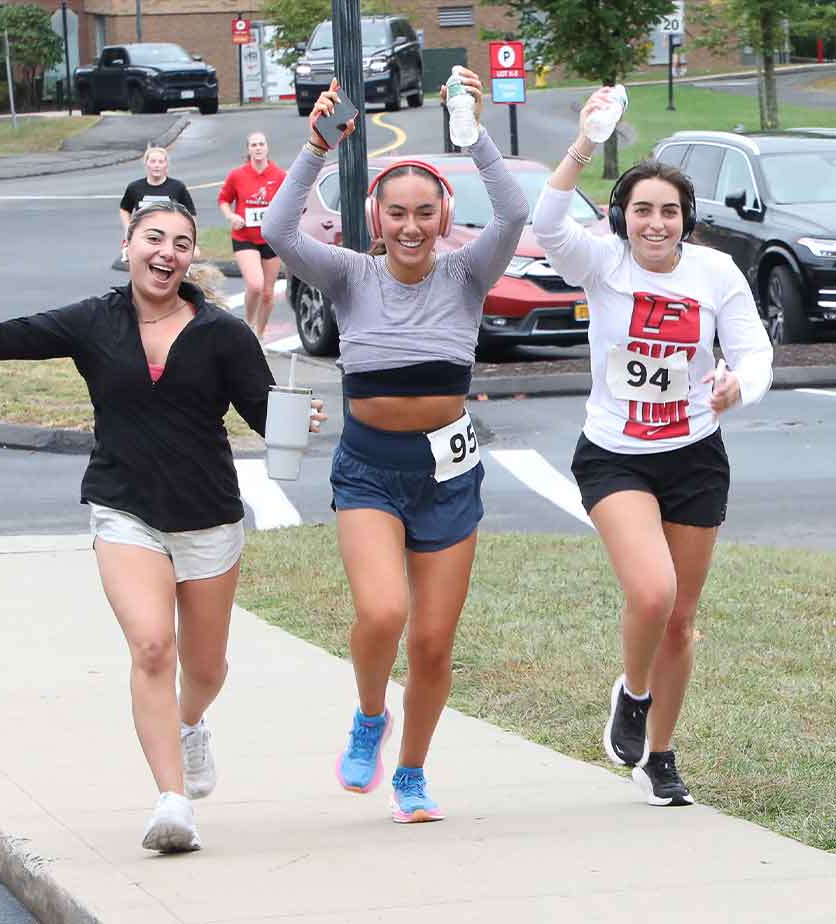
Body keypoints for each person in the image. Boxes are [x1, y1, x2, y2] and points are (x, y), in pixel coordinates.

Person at [0, 201, 326, 852]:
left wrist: (293, 421)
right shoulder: (95, 321)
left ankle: (191, 725)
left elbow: (261, 414)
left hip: (208, 518)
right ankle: (173, 803)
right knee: (150, 647)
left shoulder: (223, 333)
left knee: (204, 669)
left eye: (179, 242)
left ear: (190, 256)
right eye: (153, 238)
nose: (165, 251)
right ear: (129, 244)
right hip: (124, 509)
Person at [262, 73, 530, 823]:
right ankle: (370, 718)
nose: (411, 227)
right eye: (397, 213)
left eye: (424, 212)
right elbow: (281, 234)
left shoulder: (468, 275)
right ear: (375, 219)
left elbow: (513, 209)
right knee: (382, 614)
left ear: (444, 217)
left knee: (436, 644)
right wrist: (317, 147)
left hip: (449, 477)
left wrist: (469, 131)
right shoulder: (349, 275)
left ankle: (410, 774)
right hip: (371, 470)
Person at [532, 88, 773, 807]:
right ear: (622, 217)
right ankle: (632, 696)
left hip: (695, 454)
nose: (656, 223)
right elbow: (545, 219)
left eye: (669, 211)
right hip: (615, 453)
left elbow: (755, 351)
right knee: (652, 590)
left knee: (681, 619)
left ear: (686, 220)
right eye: (643, 209)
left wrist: (738, 388)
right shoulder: (601, 263)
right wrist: (583, 142)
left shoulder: (714, 274)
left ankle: (659, 756)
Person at [218, 132, 287, 344]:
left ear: (267, 148)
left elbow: (288, 202)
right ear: (248, 150)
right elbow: (223, 200)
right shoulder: (237, 175)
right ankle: (248, 327)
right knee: (255, 285)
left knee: (267, 293)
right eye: (254, 145)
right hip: (244, 236)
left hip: (270, 239)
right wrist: (231, 216)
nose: (258, 148)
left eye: (261, 144)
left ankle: (260, 334)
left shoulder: (279, 175)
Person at [119, 146, 199, 263]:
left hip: (170, 236)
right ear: (146, 164)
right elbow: (124, 209)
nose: (156, 165)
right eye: (153, 161)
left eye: (160, 162)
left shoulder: (177, 187)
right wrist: (128, 229)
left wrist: (192, 242)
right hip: (144, 235)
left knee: (191, 257)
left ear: (166, 165)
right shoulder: (134, 188)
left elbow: (191, 215)